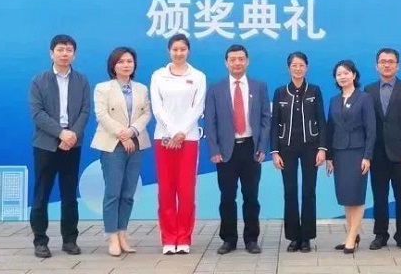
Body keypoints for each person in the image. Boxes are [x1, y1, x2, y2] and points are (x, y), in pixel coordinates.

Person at [28, 34, 91, 258]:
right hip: (46, 144)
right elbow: (37, 113)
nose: (65, 54)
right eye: (60, 50)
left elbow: (85, 111)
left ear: (74, 54)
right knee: (42, 194)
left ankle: (70, 240)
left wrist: (71, 134)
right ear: (51, 53)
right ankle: (40, 241)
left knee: (69, 194)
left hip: (72, 143)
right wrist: (60, 133)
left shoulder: (82, 81)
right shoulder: (39, 80)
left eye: (69, 50)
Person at [205, 44, 272, 255]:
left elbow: (266, 119)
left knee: (251, 196)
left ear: (247, 61)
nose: (237, 63)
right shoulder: (215, 89)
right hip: (226, 151)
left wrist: (262, 146)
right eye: (232, 59)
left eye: (241, 59)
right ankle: (229, 239)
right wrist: (214, 149)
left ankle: (251, 239)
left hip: (251, 148)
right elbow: (210, 122)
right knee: (227, 197)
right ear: (226, 63)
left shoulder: (259, 86)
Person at [89, 46, 152, 257]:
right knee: (113, 192)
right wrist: (123, 135)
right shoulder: (103, 88)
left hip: (136, 143)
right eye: (121, 62)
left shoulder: (141, 88)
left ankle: (123, 233)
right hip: (112, 144)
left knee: (128, 193)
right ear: (113, 66)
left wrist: (132, 131)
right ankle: (112, 236)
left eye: (129, 61)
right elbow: (101, 115)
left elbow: (147, 113)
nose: (126, 65)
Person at [149, 34, 206, 255]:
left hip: (189, 138)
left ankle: (183, 238)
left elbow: (197, 107)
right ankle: (168, 238)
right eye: (175, 49)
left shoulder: (198, 76)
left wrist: (181, 131)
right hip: (163, 137)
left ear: (188, 51)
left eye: (182, 49)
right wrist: (173, 131)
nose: (179, 53)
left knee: (186, 190)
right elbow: (157, 108)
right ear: (169, 51)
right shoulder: (158, 76)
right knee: (166, 190)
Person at [270, 51, 327, 253]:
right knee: (290, 191)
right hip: (286, 148)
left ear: (306, 68)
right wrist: (274, 152)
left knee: (309, 192)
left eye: (301, 65)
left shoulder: (314, 90)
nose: (297, 68)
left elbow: (321, 120)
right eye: (294, 65)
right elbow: (274, 123)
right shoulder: (280, 92)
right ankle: (294, 237)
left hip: (310, 147)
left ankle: (307, 237)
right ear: (288, 68)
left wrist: (322, 149)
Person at [363, 48, 401, 250]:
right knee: (379, 197)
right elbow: (367, 124)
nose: (387, 64)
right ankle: (380, 234)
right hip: (377, 154)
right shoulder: (368, 90)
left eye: (391, 61)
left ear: (398, 65)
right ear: (376, 65)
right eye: (383, 61)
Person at [325, 59, 377, 254]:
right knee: (346, 196)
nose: (342, 77)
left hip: (358, 152)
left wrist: (367, 156)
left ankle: (351, 236)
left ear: (354, 75)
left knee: (356, 194)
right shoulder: (334, 100)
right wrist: (329, 156)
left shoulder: (364, 98)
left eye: (346, 73)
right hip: (339, 152)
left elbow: (371, 129)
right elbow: (330, 128)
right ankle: (352, 235)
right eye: (339, 74)